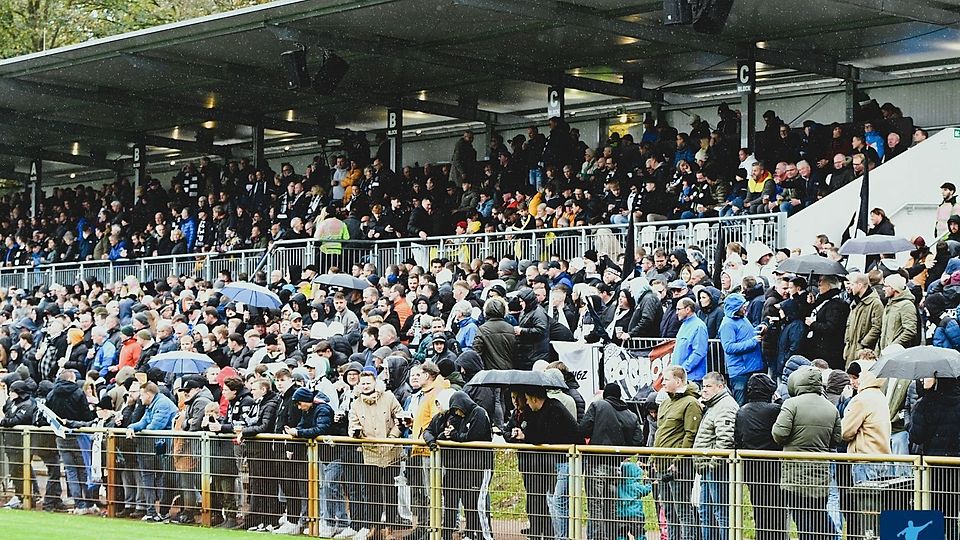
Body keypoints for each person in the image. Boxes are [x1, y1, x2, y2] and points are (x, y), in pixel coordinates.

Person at [772, 365, 842, 540]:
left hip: (794, 475)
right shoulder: (831, 408)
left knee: (802, 520)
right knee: (819, 517)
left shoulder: (791, 404)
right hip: (820, 474)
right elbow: (836, 439)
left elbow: (779, 435)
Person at [422, 390, 494, 540]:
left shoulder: (477, 413)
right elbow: (432, 432)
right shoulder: (446, 417)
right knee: (452, 502)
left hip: (477, 466)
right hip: (457, 467)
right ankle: (454, 533)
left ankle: (483, 536)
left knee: (476, 504)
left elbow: (469, 437)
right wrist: (437, 439)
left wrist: (452, 435)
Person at [510, 386, 579, 540]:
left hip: (566, 460)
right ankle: (559, 535)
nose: (526, 403)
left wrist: (525, 435)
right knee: (553, 499)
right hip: (558, 461)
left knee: (558, 501)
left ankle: (562, 536)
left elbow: (547, 435)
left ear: (534, 399)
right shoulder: (543, 410)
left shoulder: (554, 409)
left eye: (527, 400)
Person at [578, 383, 643, 540]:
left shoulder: (598, 406)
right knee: (610, 507)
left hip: (596, 463)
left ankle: (597, 538)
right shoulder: (631, 415)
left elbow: (583, 429)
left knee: (596, 506)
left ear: (605, 394)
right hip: (615, 466)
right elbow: (637, 442)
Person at [348, 369, 405, 540]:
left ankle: (390, 528)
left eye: (368, 383)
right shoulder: (356, 404)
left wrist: (393, 436)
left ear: (375, 383)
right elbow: (352, 424)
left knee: (390, 492)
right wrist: (357, 433)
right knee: (371, 491)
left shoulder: (389, 397)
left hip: (391, 451)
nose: (365, 386)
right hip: (369, 453)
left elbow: (400, 418)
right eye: (363, 383)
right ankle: (373, 526)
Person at [840, 361, 892, 538]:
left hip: (864, 460)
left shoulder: (861, 400)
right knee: (879, 513)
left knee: (866, 515)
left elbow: (845, 432)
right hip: (882, 458)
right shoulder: (880, 396)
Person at [734, 373, 786, 540]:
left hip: (751, 467)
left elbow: (737, 439)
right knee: (776, 508)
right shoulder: (775, 410)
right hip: (773, 465)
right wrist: (778, 400)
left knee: (758, 506)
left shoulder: (742, 411)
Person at [654, 365, 702, 540]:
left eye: (666, 379)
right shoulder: (665, 402)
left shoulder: (691, 403)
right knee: (669, 511)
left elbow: (691, 434)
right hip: (661, 464)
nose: (663, 383)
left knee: (683, 510)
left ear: (678, 381)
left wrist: (678, 459)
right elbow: (660, 431)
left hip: (678, 466)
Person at [910, 377, 960, 538]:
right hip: (957, 465)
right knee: (953, 512)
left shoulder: (926, 403)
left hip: (934, 466)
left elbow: (916, 437)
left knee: (935, 510)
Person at [693, 372, 739, 540]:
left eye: (708, 386)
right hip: (708, 468)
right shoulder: (714, 405)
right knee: (706, 512)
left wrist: (712, 464)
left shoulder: (725, 406)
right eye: (703, 386)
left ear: (720, 386)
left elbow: (726, 440)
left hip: (716, 469)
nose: (704, 390)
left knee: (721, 512)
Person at [46, 370, 96, 514]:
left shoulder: (51, 394)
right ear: (71, 379)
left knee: (71, 471)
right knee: (83, 469)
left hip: (61, 437)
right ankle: (88, 502)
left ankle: (79, 504)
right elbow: (86, 416)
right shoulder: (78, 393)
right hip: (79, 436)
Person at [718, 293, 764, 404]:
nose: (745, 308)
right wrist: (752, 342)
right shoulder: (727, 324)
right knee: (740, 404)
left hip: (750, 368)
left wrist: (759, 328)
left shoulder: (742, 318)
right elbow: (728, 347)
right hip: (740, 372)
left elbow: (746, 334)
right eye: (742, 306)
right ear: (735, 307)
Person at [802, 275, 850, 370]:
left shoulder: (836, 304)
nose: (818, 287)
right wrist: (811, 304)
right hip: (820, 348)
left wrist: (813, 324)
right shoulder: (824, 300)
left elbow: (831, 327)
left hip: (829, 351)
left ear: (829, 286)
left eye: (821, 284)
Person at [843, 273, 884, 366]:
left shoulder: (875, 303)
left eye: (852, 284)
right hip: (851, 348)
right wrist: (847, 341)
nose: (850, 287)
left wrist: (863, 343)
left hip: (864, 351)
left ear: (860, 285)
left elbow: (877, 327)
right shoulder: (855, 302)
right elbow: (849, 324)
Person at [673, 297, 708, 387]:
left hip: (693, 379)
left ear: (687, 309)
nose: (677, 312)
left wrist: (683, 370)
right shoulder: (684, 325)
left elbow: (699, 352)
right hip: (682, 377)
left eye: (678, 309)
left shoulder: (699, 326)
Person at [879, 274, 919, 350]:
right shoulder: (889, 304)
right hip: (885, 352)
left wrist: (893, 347)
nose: (883, 289)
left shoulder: (906, 305)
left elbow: (910, 331)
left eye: (886, 286)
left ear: (894, 288)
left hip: (895, 353)